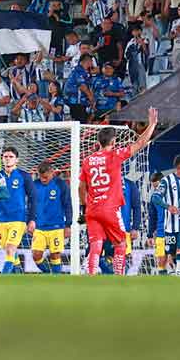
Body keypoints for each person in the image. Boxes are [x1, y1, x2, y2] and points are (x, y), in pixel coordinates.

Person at [83, 109, 159, 275]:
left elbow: (81, 185)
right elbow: (139, 144)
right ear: (114, 141)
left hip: (92, 209)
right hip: (110, 208)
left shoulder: (87, 160)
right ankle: (119, 276)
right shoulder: (114, 155)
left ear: (98, 142)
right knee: (121, 244)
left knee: (96, 245)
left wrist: (84, 204)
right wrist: (152, 125)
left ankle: (91, 274)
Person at [0, 146, 34, 274]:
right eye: (5, 157)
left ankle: (3, 277)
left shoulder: (24, 176)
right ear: (2, 159)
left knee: (10, 248)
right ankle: (19, 274)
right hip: (1, 219)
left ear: (17, 160)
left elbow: (33, 198)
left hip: (18, 219)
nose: (8, 159)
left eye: (11, 157)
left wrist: (31, 219)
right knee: (8, 250)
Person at [30, 160, 70, 274]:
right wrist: (30, 221)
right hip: (39, 227)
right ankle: (48, 274)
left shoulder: (61, 185)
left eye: (45, 177)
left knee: (55, 254)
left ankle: (56, 280)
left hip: (56, 226)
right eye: (40, 177)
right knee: (36, 255)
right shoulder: (34, 185)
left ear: (52, 172)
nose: (43, 179)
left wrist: (68, 225)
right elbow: (30, 205)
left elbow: (67, 205)